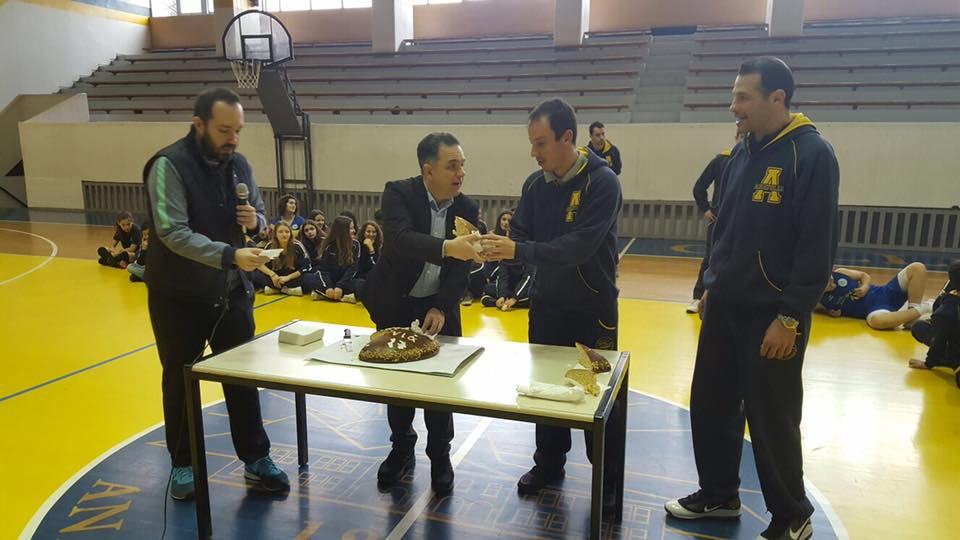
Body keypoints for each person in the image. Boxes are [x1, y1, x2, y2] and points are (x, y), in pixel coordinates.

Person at [663, 58, 839, 540]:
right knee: (711, 403)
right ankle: (719, 494)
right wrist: (710, 283)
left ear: (776, 98)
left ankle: (792, 515)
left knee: (771, 416)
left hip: (773, 314)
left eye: (743, 97)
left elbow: (817, 245)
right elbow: (723, 226)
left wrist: (791, 316)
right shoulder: (741, 151)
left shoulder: (812, 154)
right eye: (734, 96)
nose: (733, 106)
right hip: (725, 303)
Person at [142, 88, 290, 501]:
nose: (233, 139)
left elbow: (261, 214)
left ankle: (256, 457)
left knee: (242, 379)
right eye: (225, 130)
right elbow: (172, 232)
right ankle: (183, 463)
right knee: (180, 379)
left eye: (238, 130)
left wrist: (256, 220)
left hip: (231, 293)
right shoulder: (168, 166)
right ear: (199, 125)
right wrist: (229, 255)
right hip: (179, 297)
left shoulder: (239, 165)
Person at [480, 98, 624, 511]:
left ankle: (607, 478)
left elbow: (578, 247)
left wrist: (518, 249)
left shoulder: (602, 182)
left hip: (592, 308)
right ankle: (548, 463)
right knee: (545, 389)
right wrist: (491, 247)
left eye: (540, 143)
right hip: (546, 305)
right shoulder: (535, 184)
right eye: (532, 143)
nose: (534, 152)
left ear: (567, 138)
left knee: (597, 395)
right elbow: (521, 232)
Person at [359, 132, 482, 497]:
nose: (461, 173)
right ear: (429, 171)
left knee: (441, 387)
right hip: (396, 303)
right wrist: (449, 247)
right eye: (452, 166)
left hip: (439, 305)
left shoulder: (467, 207)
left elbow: (461, 268)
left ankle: (440, 456)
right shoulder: (398, 192)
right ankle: (401, 447)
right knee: (397, 387)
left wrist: (442, 305)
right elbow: (400, 240)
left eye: (462, 165)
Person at [687, 130, 744, 313]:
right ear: (736, 138)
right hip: (719, 220)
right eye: (742, 136)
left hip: (742, 222)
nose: (745, 140)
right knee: (711, 258)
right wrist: (706, 209)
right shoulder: (722, 160)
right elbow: (699, 187)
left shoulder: (759, 161)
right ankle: (698, 297)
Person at [818, 262, 932, 329]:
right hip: (874, 310)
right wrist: (830, 312)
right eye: (828, 283)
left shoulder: (840, 272)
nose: (833, 282)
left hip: (885, 292)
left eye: (831, 278)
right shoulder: (817, 300)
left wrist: (865, 286)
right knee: (877, 322)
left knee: (917, 267)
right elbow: (821, 310)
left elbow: (864, 275)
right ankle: (926, 307)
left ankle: (912, 315)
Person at [308, 216, 360, 303]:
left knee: (361, 284)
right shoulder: (328, 246)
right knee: (309, 279)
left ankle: (325, 295)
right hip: (330, 280)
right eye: (351, 228)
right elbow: (323, 269)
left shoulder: (355, 244)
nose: (354, 231)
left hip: (345, 281)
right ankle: (341, 295)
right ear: (342, 231)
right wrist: (328, 287)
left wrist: (339, 286)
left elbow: (353, 269)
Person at [250, 222, 311, 296]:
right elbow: (259, 263)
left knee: (309, 278)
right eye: (280, 232)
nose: (284, 234)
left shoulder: (297, 245)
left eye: (287, 232)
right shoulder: (270, 245)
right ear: (275, 234)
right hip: (276, 277)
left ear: (290, 233)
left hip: (292, 277)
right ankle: (288, 290)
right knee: (255, 274)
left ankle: (276, 289)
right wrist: (272, 275)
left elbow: (306, 266)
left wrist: (288, 278)